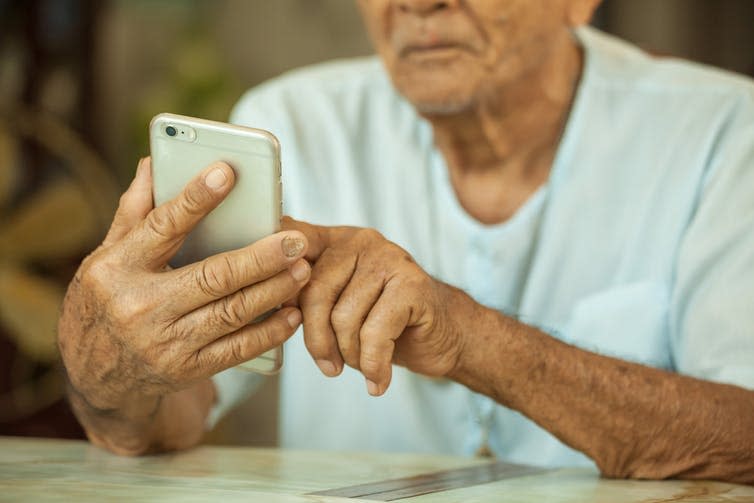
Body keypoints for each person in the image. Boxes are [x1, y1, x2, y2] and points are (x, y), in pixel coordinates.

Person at [57, 0, 754, 484]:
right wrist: (111, 367)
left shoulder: (723, 130)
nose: (419, 5)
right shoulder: (291, 122)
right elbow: (176, 411)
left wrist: (469, 337)